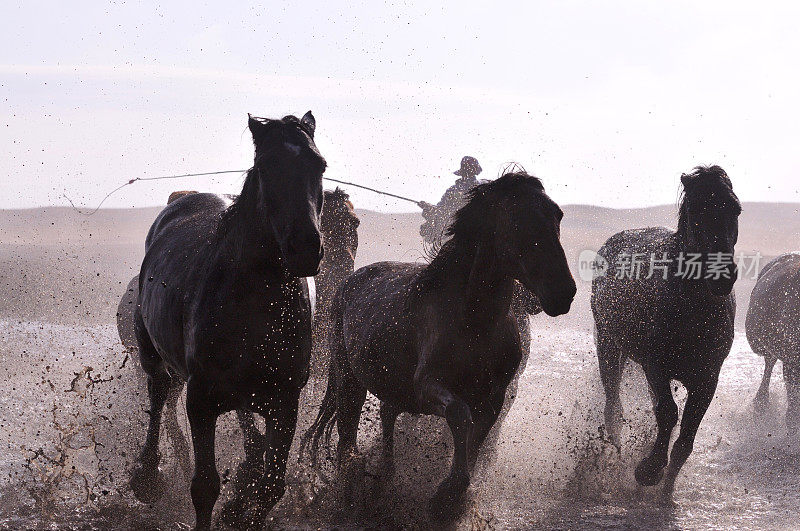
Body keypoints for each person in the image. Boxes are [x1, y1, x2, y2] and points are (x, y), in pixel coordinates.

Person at [420, 156, 485, 246]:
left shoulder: (453, 190)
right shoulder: (484, 186)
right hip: (481, 234)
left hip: (460, 234)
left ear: (462, 172)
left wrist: (428, 207)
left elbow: (441, 211)